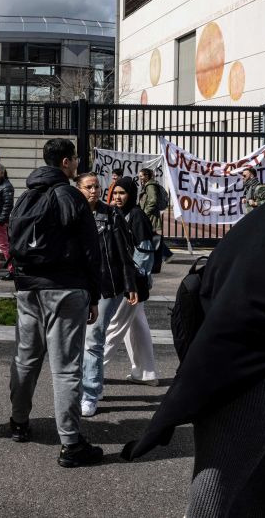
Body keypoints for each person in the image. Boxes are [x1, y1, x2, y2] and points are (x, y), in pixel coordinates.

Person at [121, 199, 265, 517]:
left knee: (261, 483)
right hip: (250, 402)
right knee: (216, 488)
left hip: (220, 390)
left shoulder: (228, 265)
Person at [8, 138, 103, 468]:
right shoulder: (70, 196)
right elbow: (90, 249)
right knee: (66, 368)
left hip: (28, 288)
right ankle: (71, 443)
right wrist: (94, 294)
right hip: (65, 288)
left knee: (26, 358)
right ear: (65, 162)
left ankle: (19, 422)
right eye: (75, 158)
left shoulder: (27, 195)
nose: (77, 163)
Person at [74, 173, 139, 418]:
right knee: (79, 340)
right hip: (78, 284)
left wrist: (130, 284)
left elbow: (125, 251)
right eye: (89, 187)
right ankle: (94, 385)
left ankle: (89, 394)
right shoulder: (72, 213)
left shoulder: (111, 214)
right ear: (78, 189)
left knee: (94, 338)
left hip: (106, 285)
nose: (94, 191)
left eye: (97, 187)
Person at [104, 177, 159, 387]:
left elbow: (144, 251)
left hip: (131, 283)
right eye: (115, 193)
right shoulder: (120, 213)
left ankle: (90, 374)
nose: (118, 197)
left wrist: (133, 280)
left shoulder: (136, 215)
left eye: (122, 193)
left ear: (131, 195)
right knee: (136, 327)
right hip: (128, 279)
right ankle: (146, 373)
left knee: (114, 327)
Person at [137, 167, 171, 264]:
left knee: (150, 235)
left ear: (147, 176)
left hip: (150, 216)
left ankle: (166, 254)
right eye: (139, 176)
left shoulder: (150, 186)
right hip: (149, 215)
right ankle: (165, 254)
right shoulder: (147, 185)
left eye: (141, 176)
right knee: (151, 235)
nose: (140, 178)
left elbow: (153, 200)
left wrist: (145, 213)